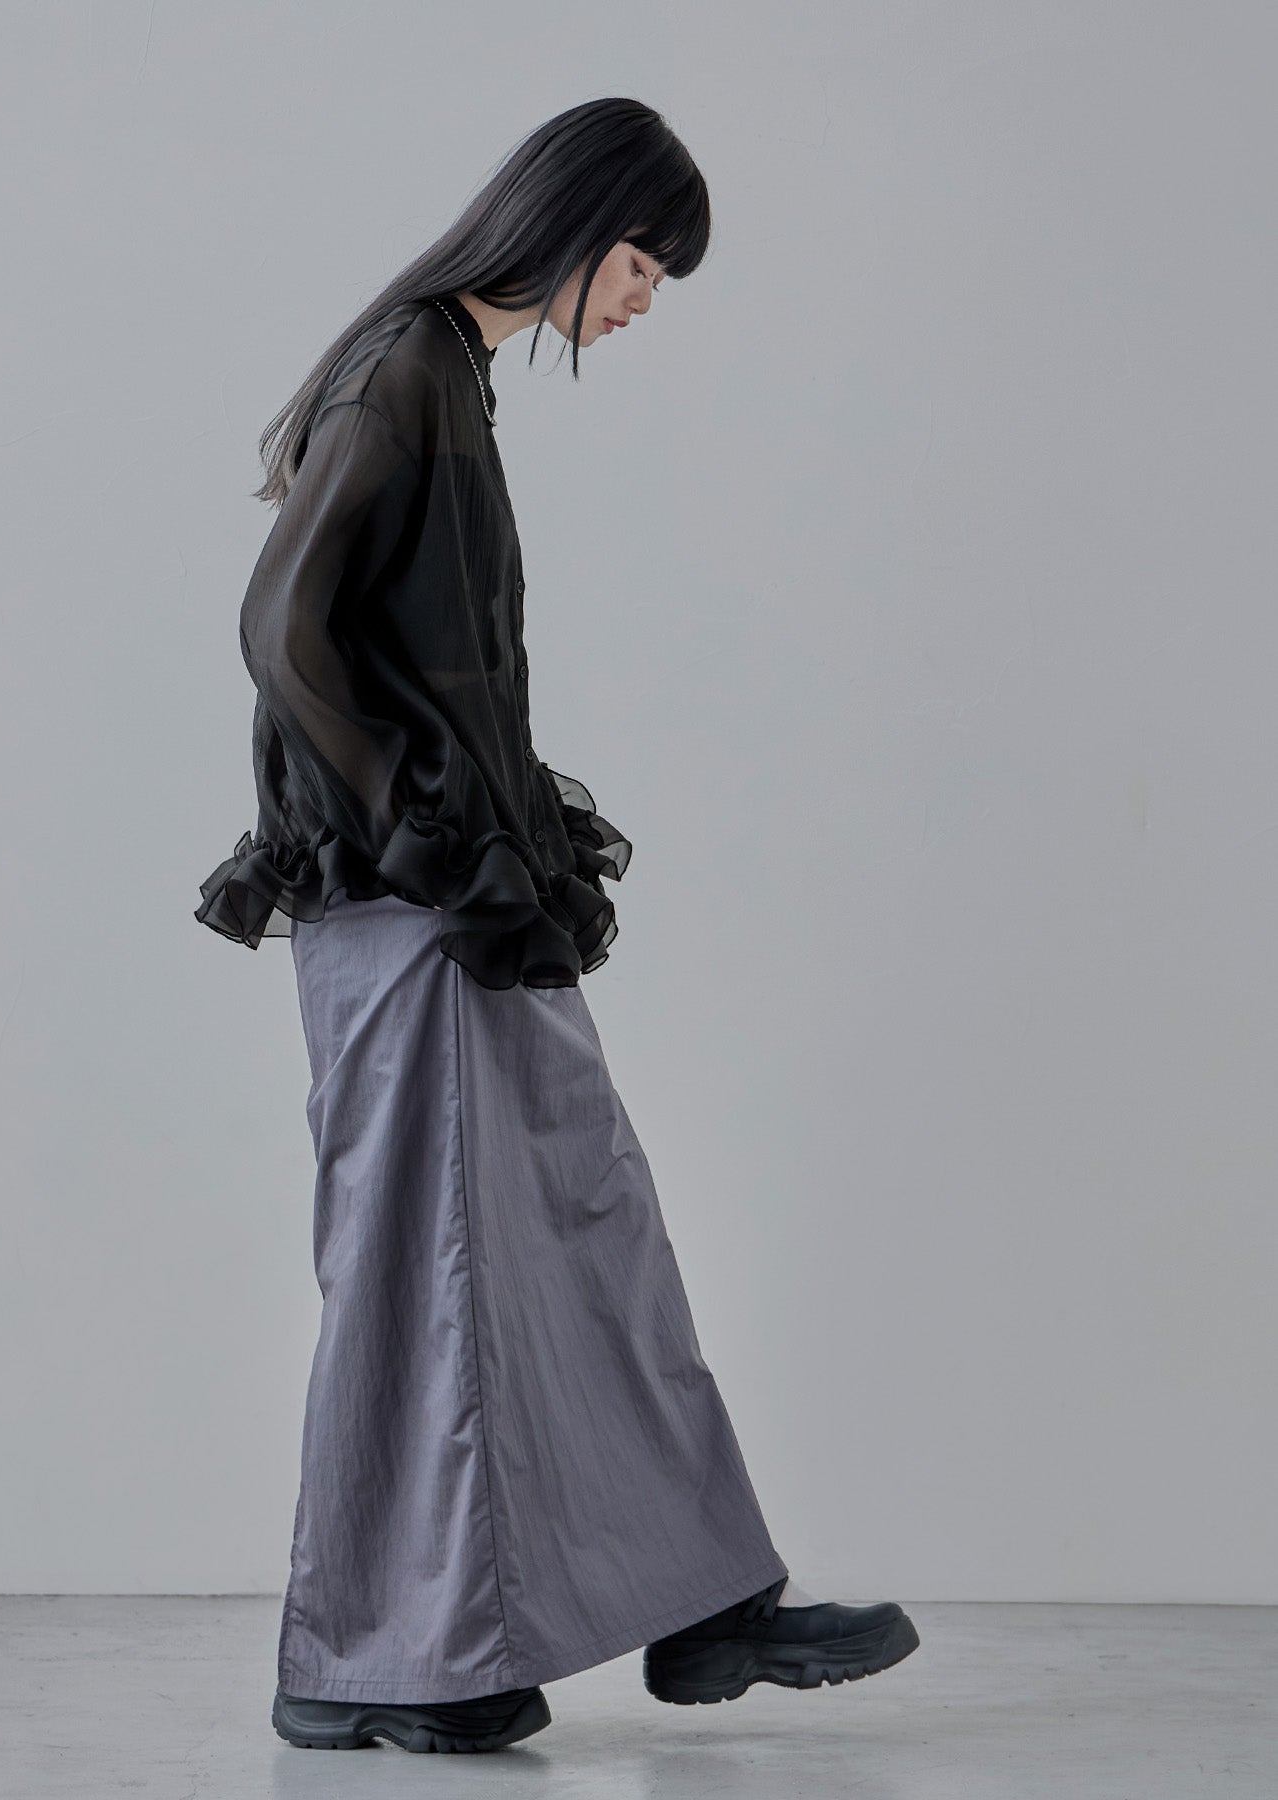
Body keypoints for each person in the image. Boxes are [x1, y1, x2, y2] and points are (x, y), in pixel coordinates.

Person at [194, 96, 919, 1756]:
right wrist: (412, 825)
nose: (651, 298)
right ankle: (377, 1663)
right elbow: (280, 627)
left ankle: (681, 1606)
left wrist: (458, 838)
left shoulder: (448, 373)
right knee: (430, 1268)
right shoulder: (405, 371)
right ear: (579, 225)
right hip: (413, 914)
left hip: (458, 904)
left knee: (576, 1226)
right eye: (648, 264)